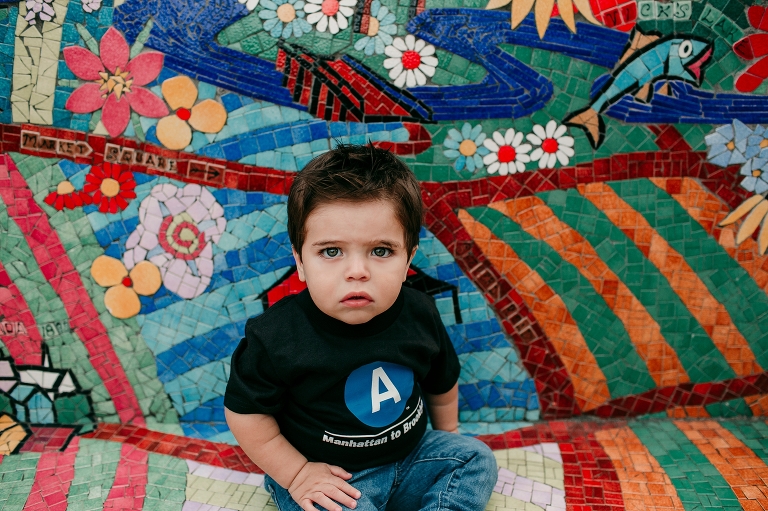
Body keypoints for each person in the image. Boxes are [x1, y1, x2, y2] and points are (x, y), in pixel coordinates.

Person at [224, 143, 498, 511]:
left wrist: (446, 437)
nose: (358, 271)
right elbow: (246, 412)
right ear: (300, 261)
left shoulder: (419, 311)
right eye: (331, 251)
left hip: (411, 458)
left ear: (408, 260)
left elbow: (441, 382)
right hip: (330, 477)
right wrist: (297, 473)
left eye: (381, 251)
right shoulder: (277, 335)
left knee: (475, 459)